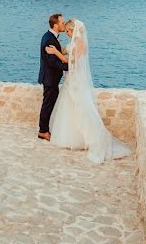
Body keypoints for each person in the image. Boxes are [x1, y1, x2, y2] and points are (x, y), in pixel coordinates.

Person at [45, 19, 131, 163]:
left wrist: (55, 52)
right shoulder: (72, 43)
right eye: (65, 31)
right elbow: (64, 50)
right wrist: (57, 46)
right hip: (70, 79)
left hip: (77, 80)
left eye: (68, 31)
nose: (66, 33)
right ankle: (71, 137)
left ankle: (93, 138)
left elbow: (69, 61)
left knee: (83, 107)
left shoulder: (81, 45)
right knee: (69, 107)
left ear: (74, 31)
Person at [37, 13, 68, 141]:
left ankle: (44, 129)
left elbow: (57, 56)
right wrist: (68, 67)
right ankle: (43, 131)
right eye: (62, 23)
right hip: (50, 78)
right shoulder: (49, 39)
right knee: (47, 105)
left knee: (49, 104)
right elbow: (52, 61)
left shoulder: (51, 36)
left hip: (51, 78)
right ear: (55, 25)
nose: (64, 25)